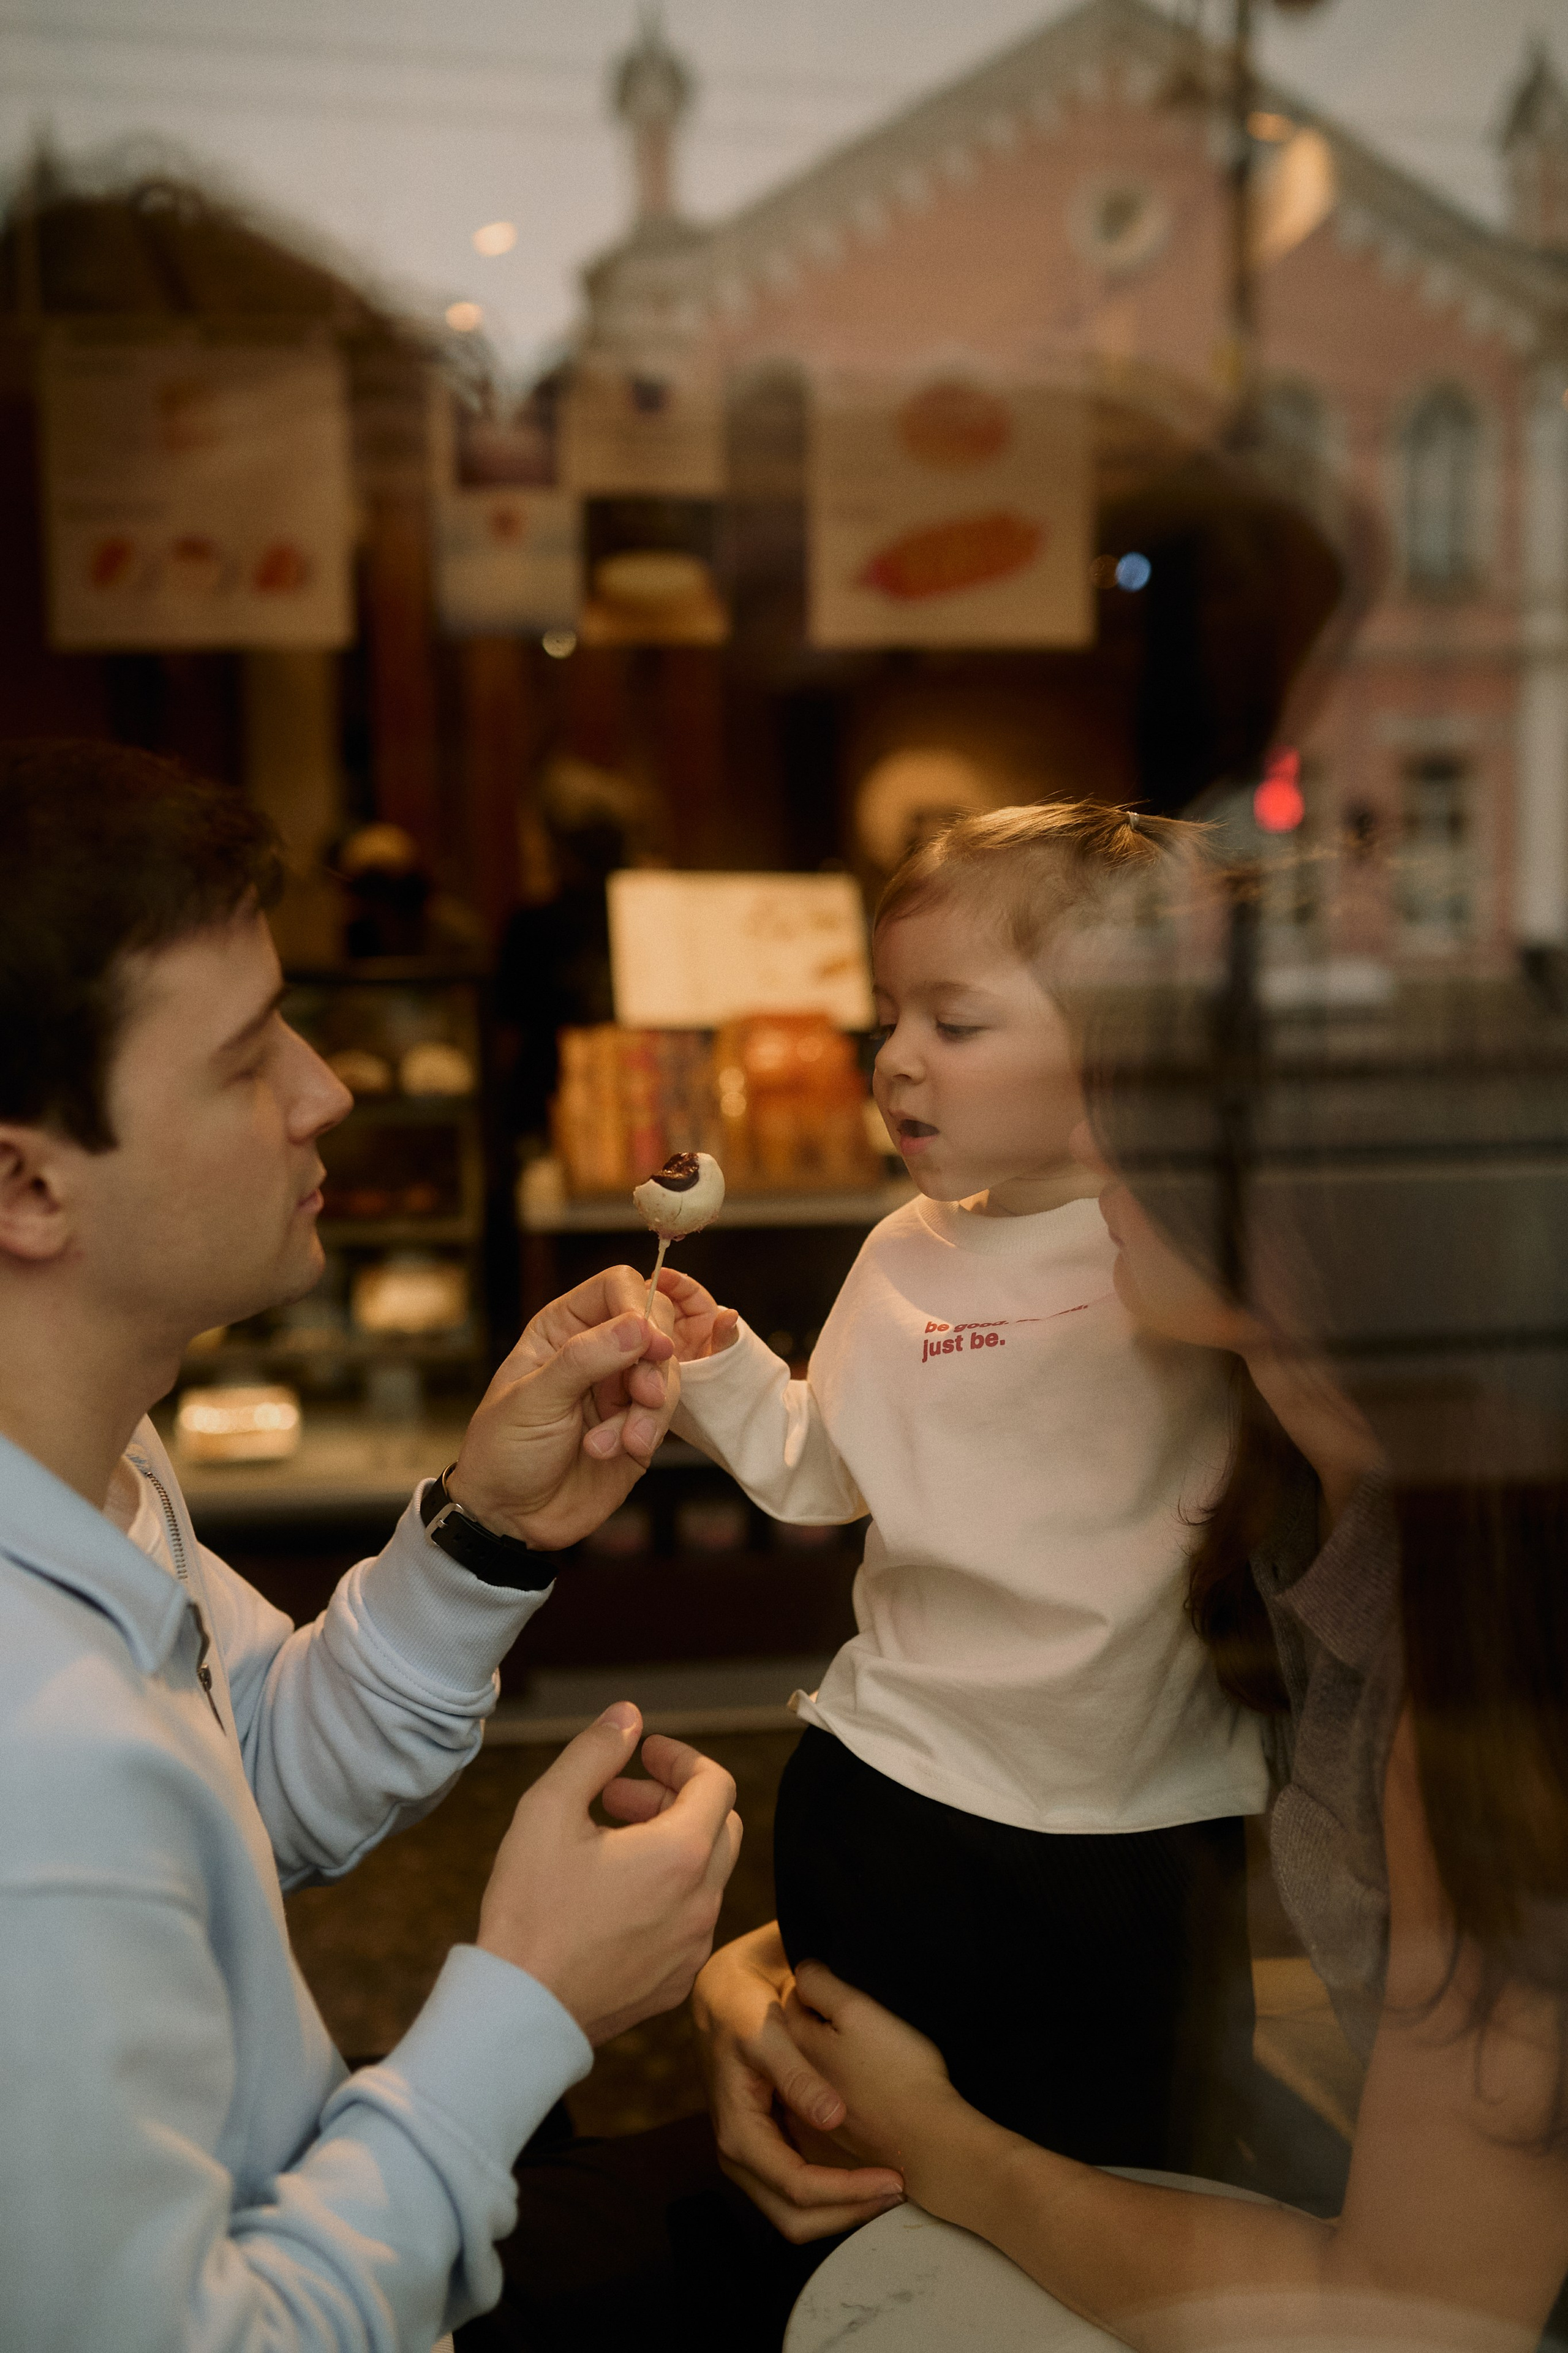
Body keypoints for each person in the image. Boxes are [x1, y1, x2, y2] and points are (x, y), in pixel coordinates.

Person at [0, 740, 741, 2352]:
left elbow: (250, 1776)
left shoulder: (88, 1456)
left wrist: (495, 1527)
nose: (328, 1091)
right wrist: (529, 2002)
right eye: (248, 1057)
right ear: (25, 1182)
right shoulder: (28, 1766)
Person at [692, 998, 1568, 2347]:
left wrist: (942, 2142)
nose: (1087, 1135)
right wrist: (759, 1991)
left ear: (1316, 1214)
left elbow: (1421, 2318)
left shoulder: (1481, 1685)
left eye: (1149, 1119)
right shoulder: (1280, 1497)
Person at [657, 804, 1268, 2175]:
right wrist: (718, 1366)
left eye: (956, 1021)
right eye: (889, 1018)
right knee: (874, 2162)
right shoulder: (901, 1252)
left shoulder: (1198, 1251)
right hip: (898, 1785)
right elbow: (822, 1465)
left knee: (1139, 2159)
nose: (895, 1062)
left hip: (1142, 1819)